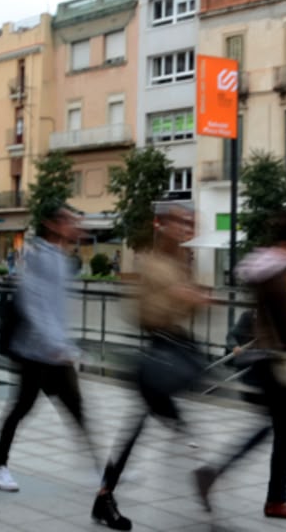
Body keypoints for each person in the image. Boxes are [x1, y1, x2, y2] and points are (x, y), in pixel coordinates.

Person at [194, 209, 286, 521]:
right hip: (279, 364)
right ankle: (274, 499)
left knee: (271, 428)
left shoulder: (265, 269)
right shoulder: (277, 275)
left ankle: (220, 476)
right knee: (285, 430)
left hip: (266, 361)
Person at [92, 205, 207, 530]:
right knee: (174, 431)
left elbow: (185, 312)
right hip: (159, 354)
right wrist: (178, 298)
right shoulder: (153, 263)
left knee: (146, 430)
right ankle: (207, 501)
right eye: (181, 223)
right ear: (164, 226)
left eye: (190, 223)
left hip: (171, 352)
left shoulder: (181, 263)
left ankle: (104, 498)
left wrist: (191, 300)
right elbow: (141, 313)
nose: (186, 229)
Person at [0, 204, 99, 492]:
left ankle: (97, 470)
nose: (74, 226)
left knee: (77, 409)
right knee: (22, 408)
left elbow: (57, 310)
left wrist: (65, 345)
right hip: (34, 352)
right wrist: (56, 344)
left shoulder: (61, 258)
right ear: (52, 224)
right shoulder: (38, 257)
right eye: (68, 221)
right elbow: (34, 304)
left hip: (54, 352)